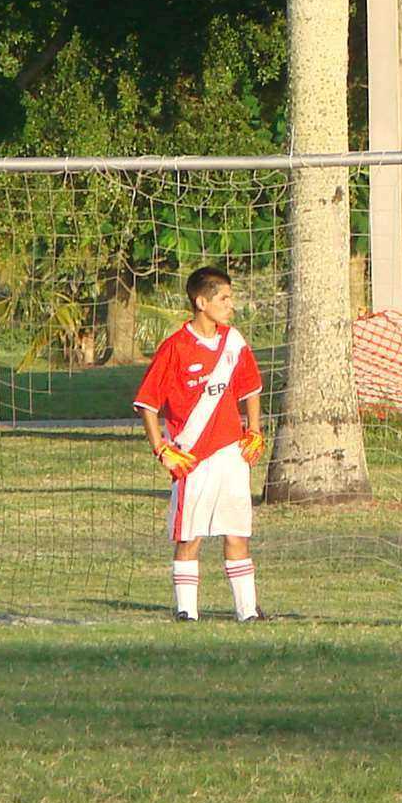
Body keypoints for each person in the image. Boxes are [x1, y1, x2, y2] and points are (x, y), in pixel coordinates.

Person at [133, 266, 268, 622]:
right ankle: (186, 612)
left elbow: (251, 388)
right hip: (191, 458)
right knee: (189, 536)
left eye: (230, 298)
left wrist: (254, 429)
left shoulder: (234, 342)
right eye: (224, 298)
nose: (230, 305)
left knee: (237, 532)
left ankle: (247, 610)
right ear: (201, 302)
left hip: (231, 454)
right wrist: (161, 447)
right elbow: (147, 403)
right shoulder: (175, 348)